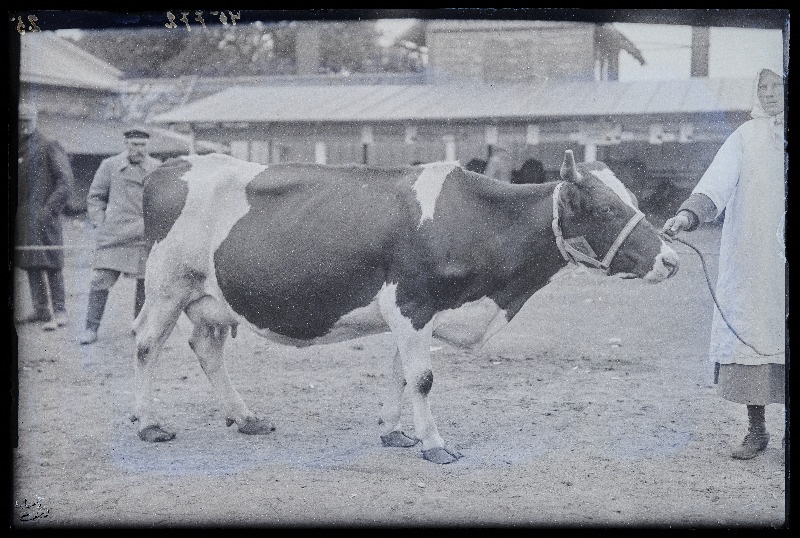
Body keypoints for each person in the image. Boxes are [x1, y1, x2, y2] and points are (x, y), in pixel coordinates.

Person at [662, 64, 785, 460]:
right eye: (763, 86)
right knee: (755, 331)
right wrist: (687, 216)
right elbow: (715, 184)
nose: (769, 93)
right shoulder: (746, 137)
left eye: (777, 85)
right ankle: (756, 429)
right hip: (756, 258)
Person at [78, 129, 161, 345]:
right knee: (100, 280)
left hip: (144, 235)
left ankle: (140, 328)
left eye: (142, 145)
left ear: (148, 146)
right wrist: (100, 222)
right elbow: (95, 197)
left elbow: (163, 200)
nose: (138, 149)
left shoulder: (156, 167)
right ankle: (90, 328)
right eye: (134, 144)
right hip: (114, 235)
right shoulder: (110, 165)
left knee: (145, 283)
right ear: (126, 144)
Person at [15, 101, 75, 331]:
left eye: (27, 120)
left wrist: (48, 210)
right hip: (24, 218)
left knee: (52, 262)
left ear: (35, 120)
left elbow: (65, 182)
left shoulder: (49, 145)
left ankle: (60, 311)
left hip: (44, 216)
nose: (23, 125)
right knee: (31, 262)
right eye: (19, 121)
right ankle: (40, 309)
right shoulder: (19, 146)